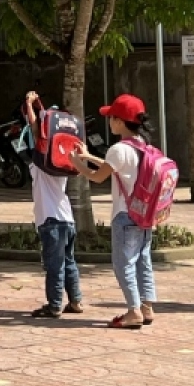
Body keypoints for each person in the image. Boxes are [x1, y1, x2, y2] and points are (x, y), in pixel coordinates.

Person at [71, 93, 156, 329]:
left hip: (125, 215)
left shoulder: (118, 149)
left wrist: (78, 163)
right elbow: (118, 169)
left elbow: (99, 177)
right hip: (145, 214)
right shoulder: (144, 146)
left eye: (111, 117)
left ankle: (133, 311)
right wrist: (89, 156)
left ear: (119, 122)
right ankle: (147, 307)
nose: (109, 121)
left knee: (123, 263)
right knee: (142, 261)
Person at [23, 91, 83, 319]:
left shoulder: (41, 163)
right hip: (67, 219)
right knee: (69, 262)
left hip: (51, 221)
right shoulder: (63, 161)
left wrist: (29, 104)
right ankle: (75, 301)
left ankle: (54, 305)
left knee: (54, 266)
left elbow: (35, 128)